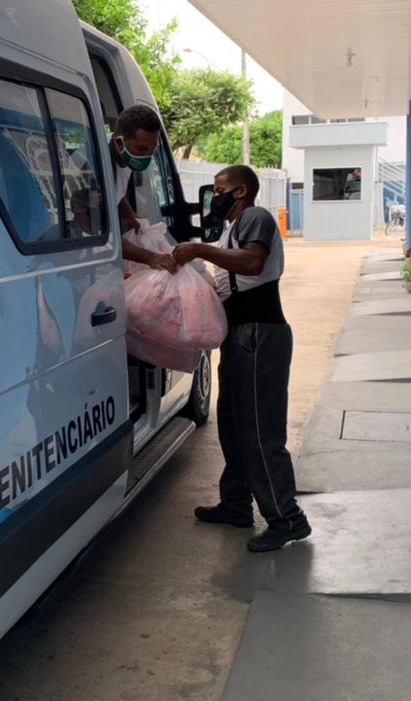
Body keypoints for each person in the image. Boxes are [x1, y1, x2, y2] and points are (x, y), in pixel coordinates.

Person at [172, 164, 311, 552]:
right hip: (239, 336)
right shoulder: (233, 227)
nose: (213, 196)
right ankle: (236, 504)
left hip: (259, 333)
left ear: (241, 192)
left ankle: (287, 519)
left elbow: (252, 262)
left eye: (219, 189)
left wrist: (199, 249)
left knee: (259, 431)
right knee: (233, 426)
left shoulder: (255, 216)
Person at [108, 104, 177, 273]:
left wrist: (131, 216)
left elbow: (114, 194)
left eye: (152, 150)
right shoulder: (95, 163)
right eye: (141, 149)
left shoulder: (125, 156)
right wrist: (151, 257)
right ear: (119, 141)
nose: (146, 156)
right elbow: (103, 234)